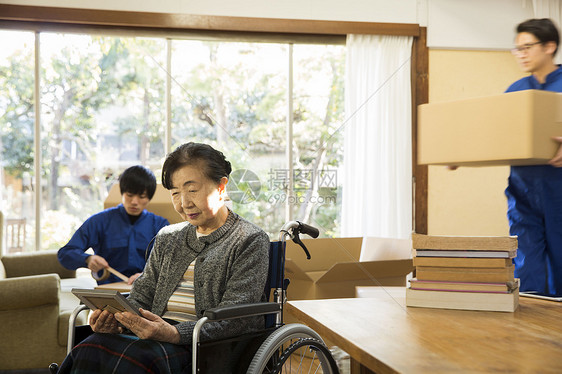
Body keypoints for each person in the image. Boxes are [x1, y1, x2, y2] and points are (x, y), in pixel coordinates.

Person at [57, 142, 270, 373]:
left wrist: (174, 333)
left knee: (137, 361)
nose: (184, 203)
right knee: (89, 346)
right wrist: (117, 322)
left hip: (204, 347)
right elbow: (142, 294)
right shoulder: (168, 236)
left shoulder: (249, 239)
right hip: (152, 336)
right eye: (175, 193)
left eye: (192, 190)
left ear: (221, 186)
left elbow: (237, 316)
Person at [505, 18, 562, 295]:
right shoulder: (515, 91)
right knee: (526, 269)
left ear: (550, 46)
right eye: (517, 49)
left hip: (559, 191)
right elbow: (495, 135)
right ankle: (529, 336)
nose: (521, 54)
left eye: (527, 47)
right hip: (522, 192)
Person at [58, 165, 169, 285]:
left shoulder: (160, 226)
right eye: (130, 195)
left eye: (141, 197)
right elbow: (65, 253)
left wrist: (148, 276)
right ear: (122, 193)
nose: (134, 202)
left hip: (146, 291)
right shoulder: (99, 221)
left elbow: (169, 264)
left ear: (149, 198)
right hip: (108, 293)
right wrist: (87, 259)